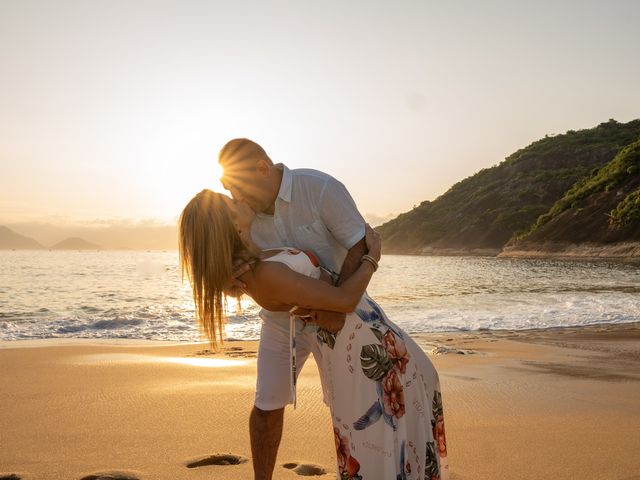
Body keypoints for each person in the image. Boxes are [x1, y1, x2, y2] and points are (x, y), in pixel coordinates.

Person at [178, 190, 450, 479]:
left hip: (369, 333)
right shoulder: (261, 275)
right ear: (229, 223)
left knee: (410, 407)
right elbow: (344, 300)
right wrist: (372, 257)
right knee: (378, 440)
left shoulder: (255, 259)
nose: (240, 199)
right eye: (231, 202)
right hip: (358, 345)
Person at [217, 138, 369, 479]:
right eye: (228, 189)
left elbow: (359, 243)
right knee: (266, 404)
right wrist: (230, 282)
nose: (236, 197)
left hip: (337, 311)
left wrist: (337, 308)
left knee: (350, 404)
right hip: (280, 318)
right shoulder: (244, 213)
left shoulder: (320, 189)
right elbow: (233, 262)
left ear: (262, 168)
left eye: (237, 187)